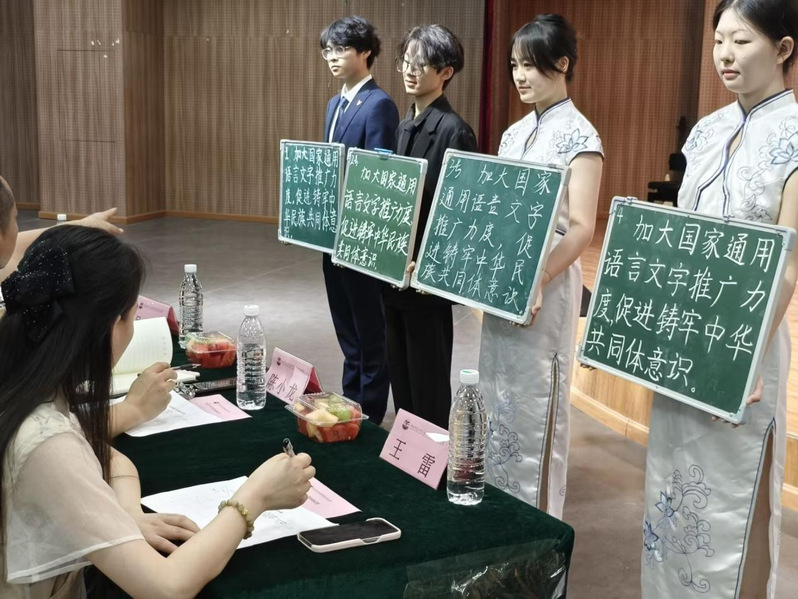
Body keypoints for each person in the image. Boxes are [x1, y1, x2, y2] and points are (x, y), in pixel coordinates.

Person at [0, 226, 315, 598]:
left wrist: (124, 517)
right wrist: (254, 497)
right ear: (110, 326)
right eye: (131, 318)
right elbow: (166, 587)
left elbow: (109, 459)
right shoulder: (45, 438)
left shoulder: (25, 386)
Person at [641, 2, 798, 597]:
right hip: (684, 332)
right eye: (719, 41)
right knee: (673, 482)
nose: (725, 55)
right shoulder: (707, 130)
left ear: (783, 49)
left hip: (746, 337)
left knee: (735, 498)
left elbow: (789, 264)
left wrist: (747, 357)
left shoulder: (796, 135)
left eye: (742, 41)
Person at [478, 15, 603, 517]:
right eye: (514, 65)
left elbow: (581, 229)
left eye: (530, 65)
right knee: (496, 390)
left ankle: (535, 517)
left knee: (536, 399)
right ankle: (496, 504)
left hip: (547, 286)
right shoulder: (513, 135)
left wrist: (541, 277)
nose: (520, 76)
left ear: (563, 63)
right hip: (506, 280)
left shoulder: (581, 137)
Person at [0, 176, 176, 438]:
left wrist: (78, 228)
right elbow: (40, 437)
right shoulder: (43, 431)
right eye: (16, 218)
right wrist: (132, 410)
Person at [384, 25, 477, 429]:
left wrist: (428, 264)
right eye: (406, 61)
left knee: (429, 382)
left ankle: (433, 460)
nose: (410, 70)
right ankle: (406, 451)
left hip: (426, 282)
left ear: (446, 72)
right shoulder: (404, 124)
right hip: (394, 276)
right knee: (401, 378)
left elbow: (460, 217)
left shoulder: (455, 131)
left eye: (421, 64)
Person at [320, 16, 400, 425]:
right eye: (327, 50)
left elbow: (379, 177)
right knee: (346, 325)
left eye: (341, 49)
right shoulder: (334, 104)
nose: (332, 57)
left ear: (365, 52)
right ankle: (351, 399)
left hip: (361, 237)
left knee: (369, 329)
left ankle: (370, 409)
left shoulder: (379, 104)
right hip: (332, 235)